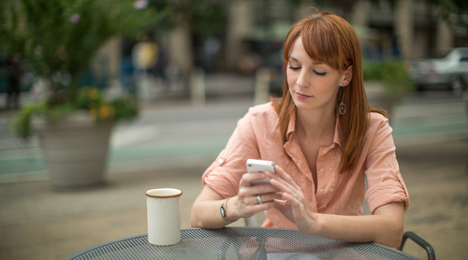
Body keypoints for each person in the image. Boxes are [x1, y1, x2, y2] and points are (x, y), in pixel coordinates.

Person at [190, 11, 409, 248]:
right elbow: (198, 213)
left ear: (345, 76)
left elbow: (392, 230)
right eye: (294, 67)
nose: (301, 81)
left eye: (319, 71)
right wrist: (235, 206)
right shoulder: (258, 123)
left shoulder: (372, 129)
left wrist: (314, 223)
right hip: (278, 253)